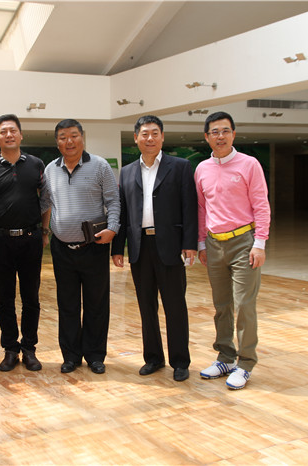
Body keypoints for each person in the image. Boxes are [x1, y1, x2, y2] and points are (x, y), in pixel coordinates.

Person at [111, 115, 197, 382]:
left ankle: (180, 361)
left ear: (162, 137)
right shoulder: (127, 171)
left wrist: (189, 244)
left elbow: (189, 207)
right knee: (146, 306)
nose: (150, 138)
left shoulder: (180, 167)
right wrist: (118, 247)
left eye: (155, 133)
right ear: (136, 138)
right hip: (140, 247)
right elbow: (123, 212)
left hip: (170, 246)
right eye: (145, 134)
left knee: (175, 306)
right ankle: (153, 358)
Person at [194, 111, 271, 390]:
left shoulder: (249, 164)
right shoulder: (202, 169)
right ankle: (225, 357)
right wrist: (202, 242)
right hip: (214, 244)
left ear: (234, 134)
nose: (220, 136)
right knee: (222, 305)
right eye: (215, 132)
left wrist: (259, 243)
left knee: (244, 305)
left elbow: (261, 204)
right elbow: (202, 209)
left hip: (243, 243)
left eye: (225, 131)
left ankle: (246, 362)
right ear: (207, 137)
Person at [42, 119, 120, 375]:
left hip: (94, 247)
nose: (69, 141)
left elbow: (113, 201)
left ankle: (95, 356)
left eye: (74, 135)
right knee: (67, 305)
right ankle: (71, 356)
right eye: (63, 137)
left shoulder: (100, 166)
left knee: (97, 304)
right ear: (57, 142)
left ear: (82, 138)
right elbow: (45, 203)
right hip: (62, 249)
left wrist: (113, 228)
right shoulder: (50, 170)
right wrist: (44, 231)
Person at [0, 114, 49, 372]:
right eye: (3, 131)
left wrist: (45, 231)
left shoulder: (36, 164)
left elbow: (45, 200)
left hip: (30, 240)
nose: (9, 135)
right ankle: (10, 349)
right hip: (0, 242)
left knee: (31, 298)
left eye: (13, 130)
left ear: (21, 134)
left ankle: (29, 349)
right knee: (4, 299)